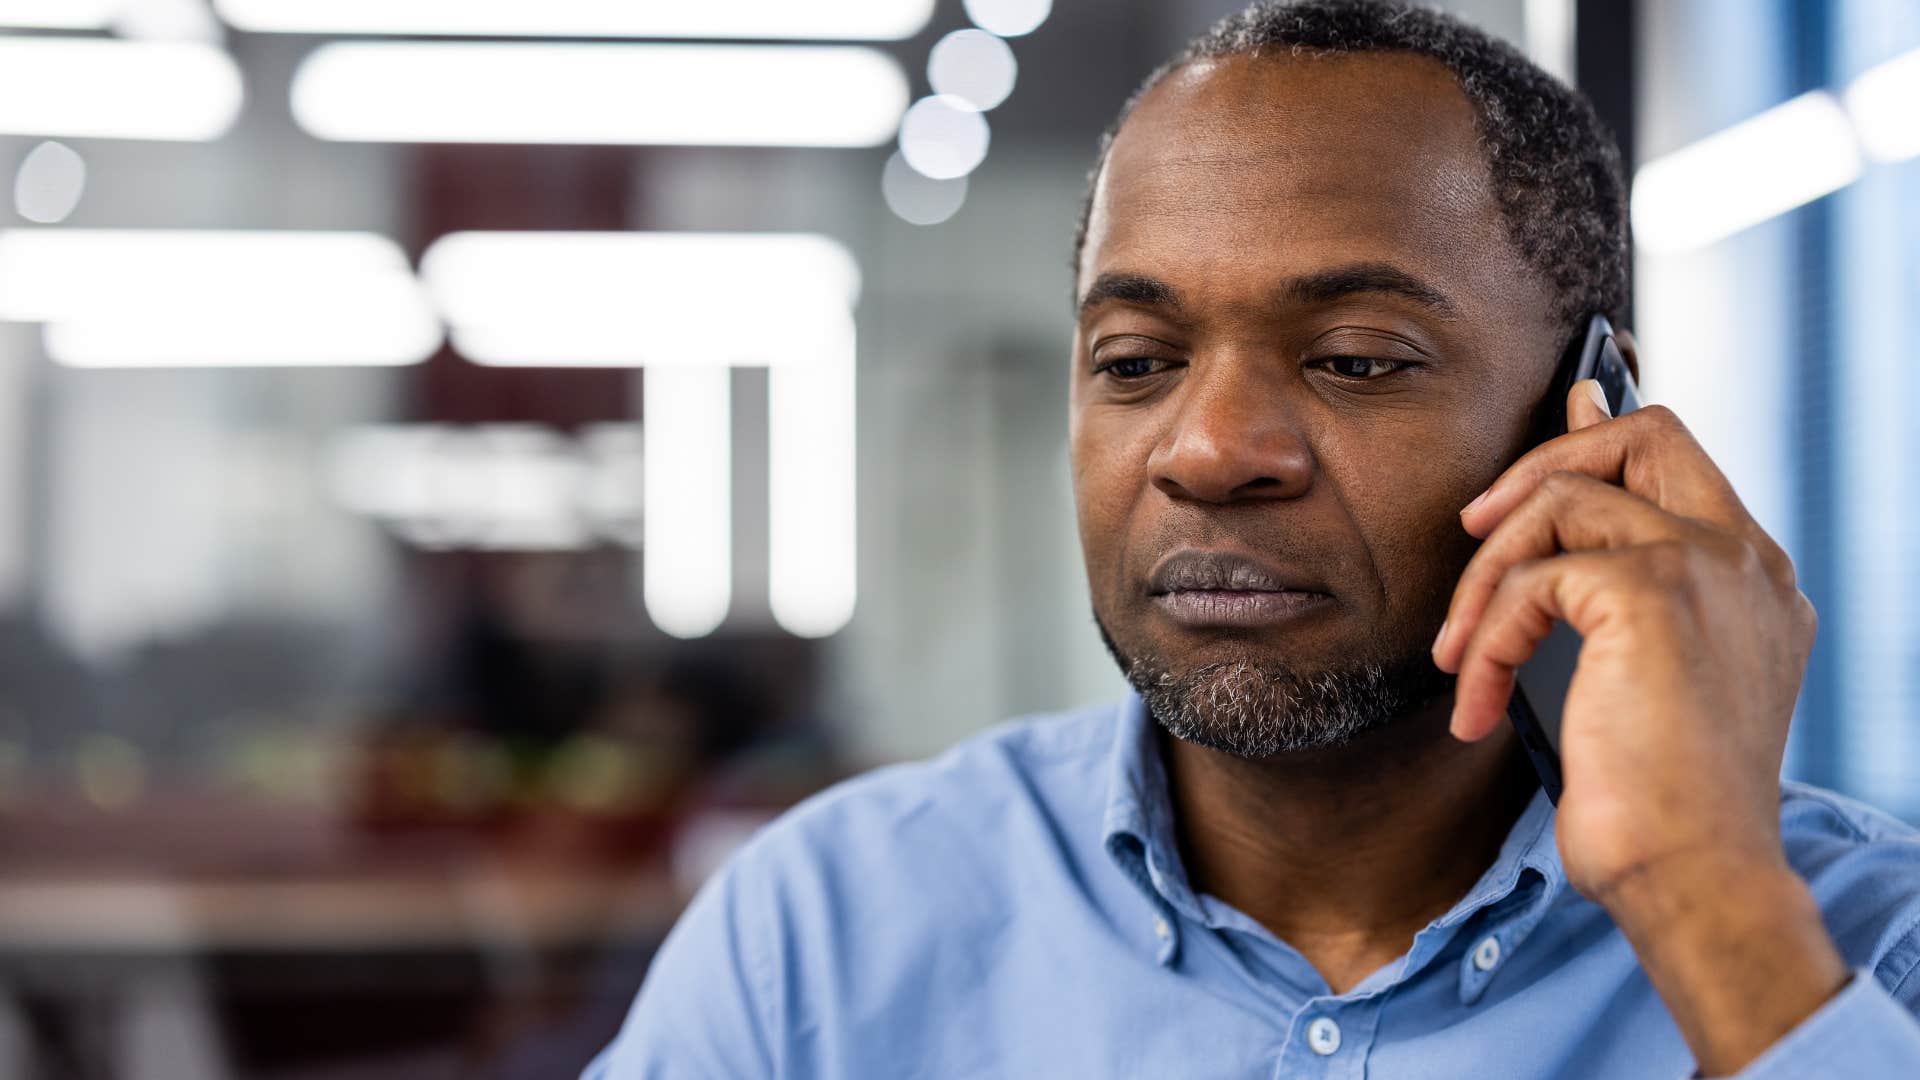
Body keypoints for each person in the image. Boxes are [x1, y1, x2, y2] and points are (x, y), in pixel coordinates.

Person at [586, 2, 1920, 1075]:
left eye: (1353, 359)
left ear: (1593, 415)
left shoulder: (1865, 947)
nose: (1209, 452)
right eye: (1135, 359)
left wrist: (1704, 902)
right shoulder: (822, 938)